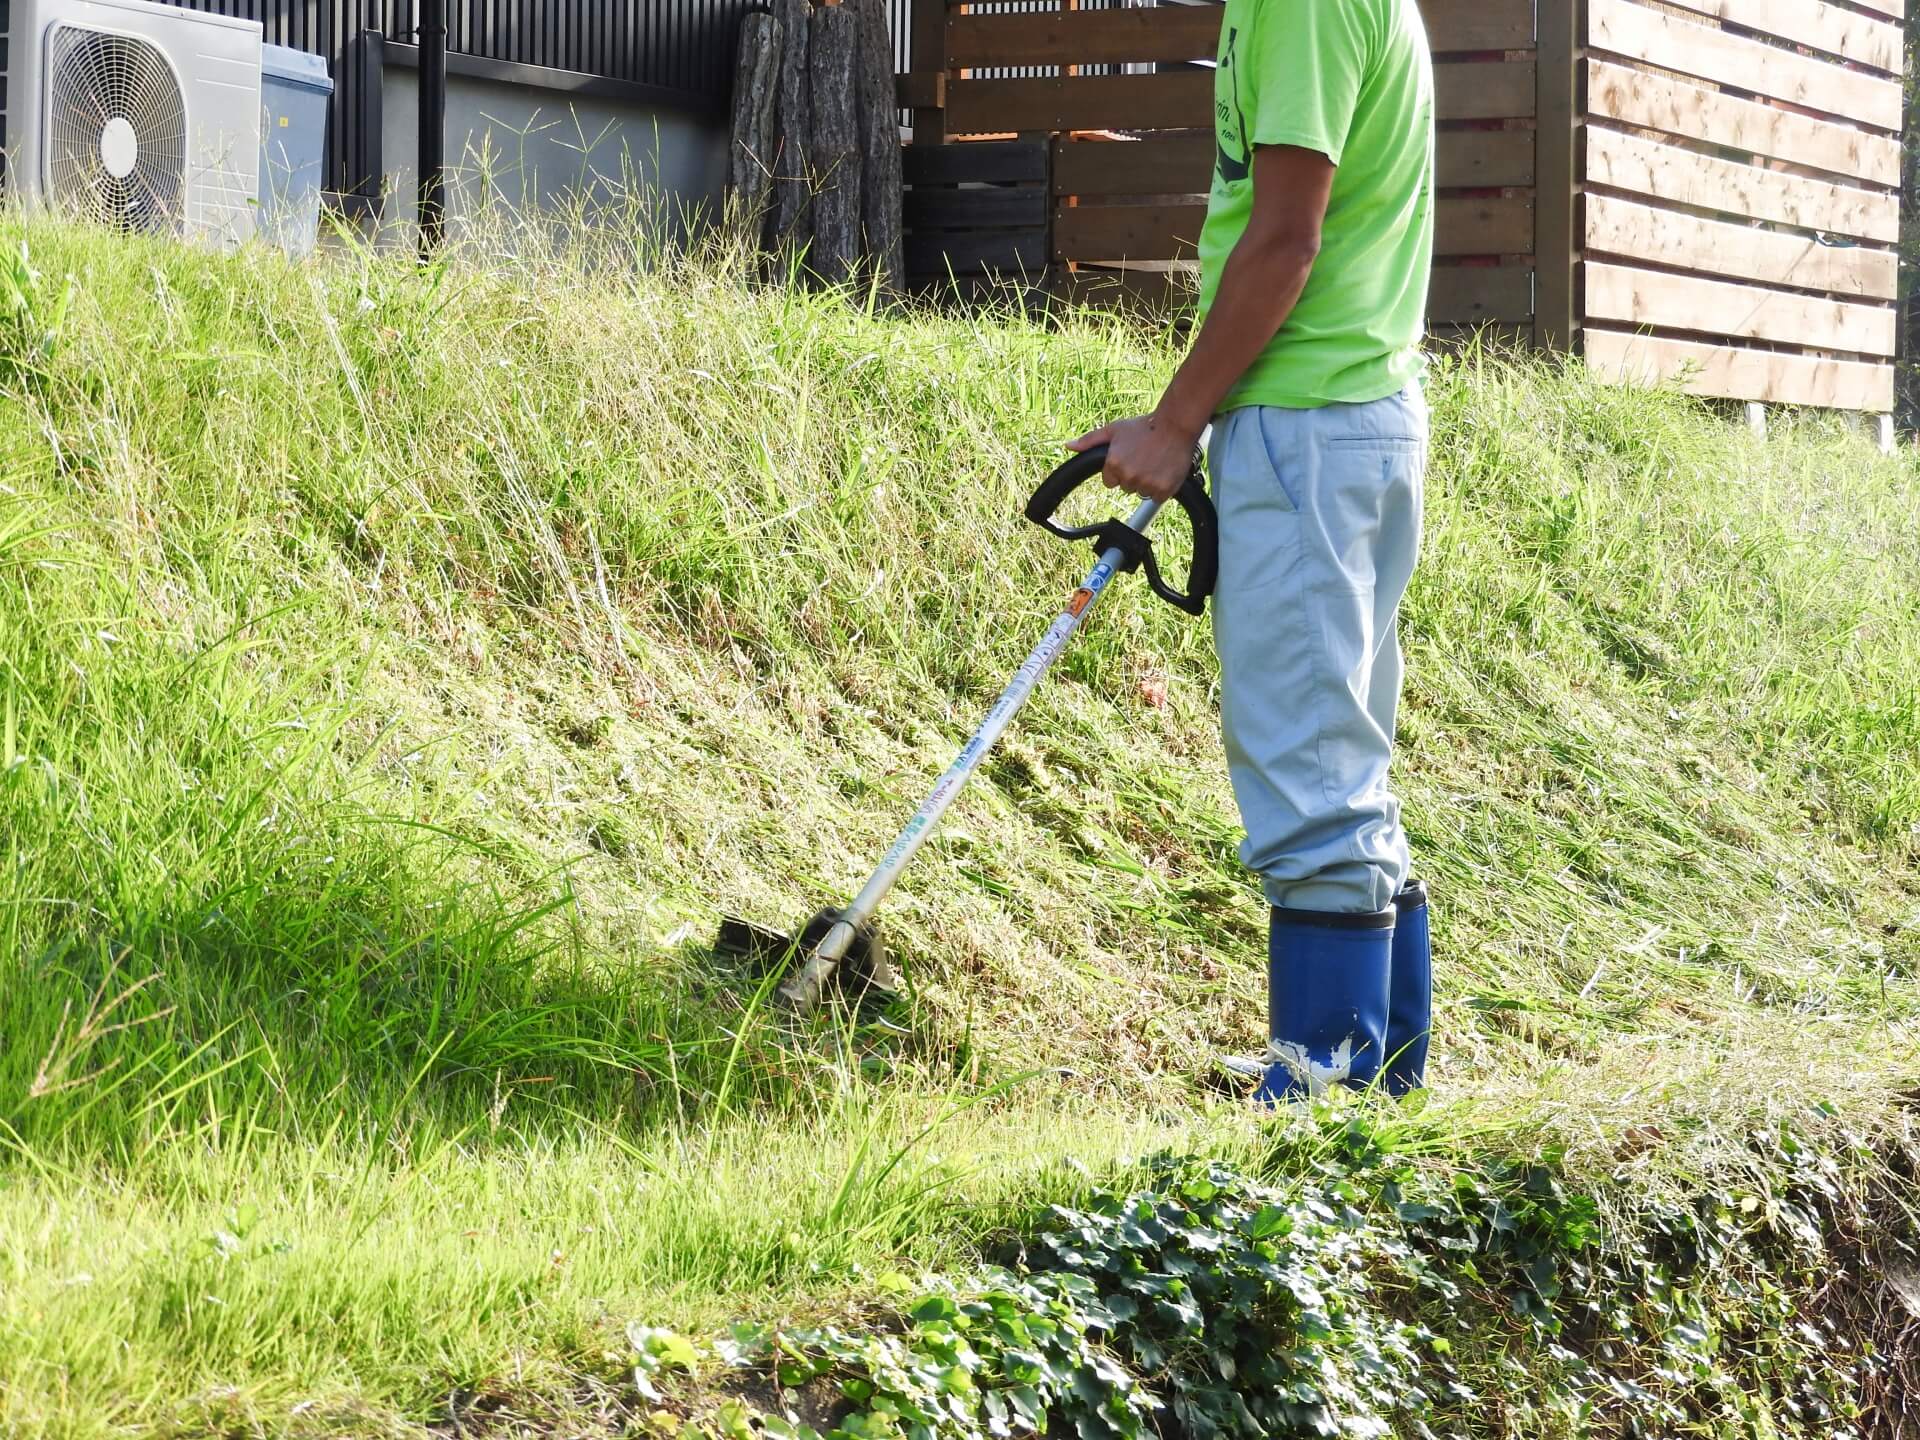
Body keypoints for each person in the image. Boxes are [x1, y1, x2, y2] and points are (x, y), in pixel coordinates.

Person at [1069, 0, 1436, 1103]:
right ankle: (1384, 1077)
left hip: (1308, 425)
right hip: (1346, 414)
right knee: (1343, 761)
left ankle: (1321, 1090)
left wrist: (1177, 424)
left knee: (1307, 772)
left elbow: (1286, 234)